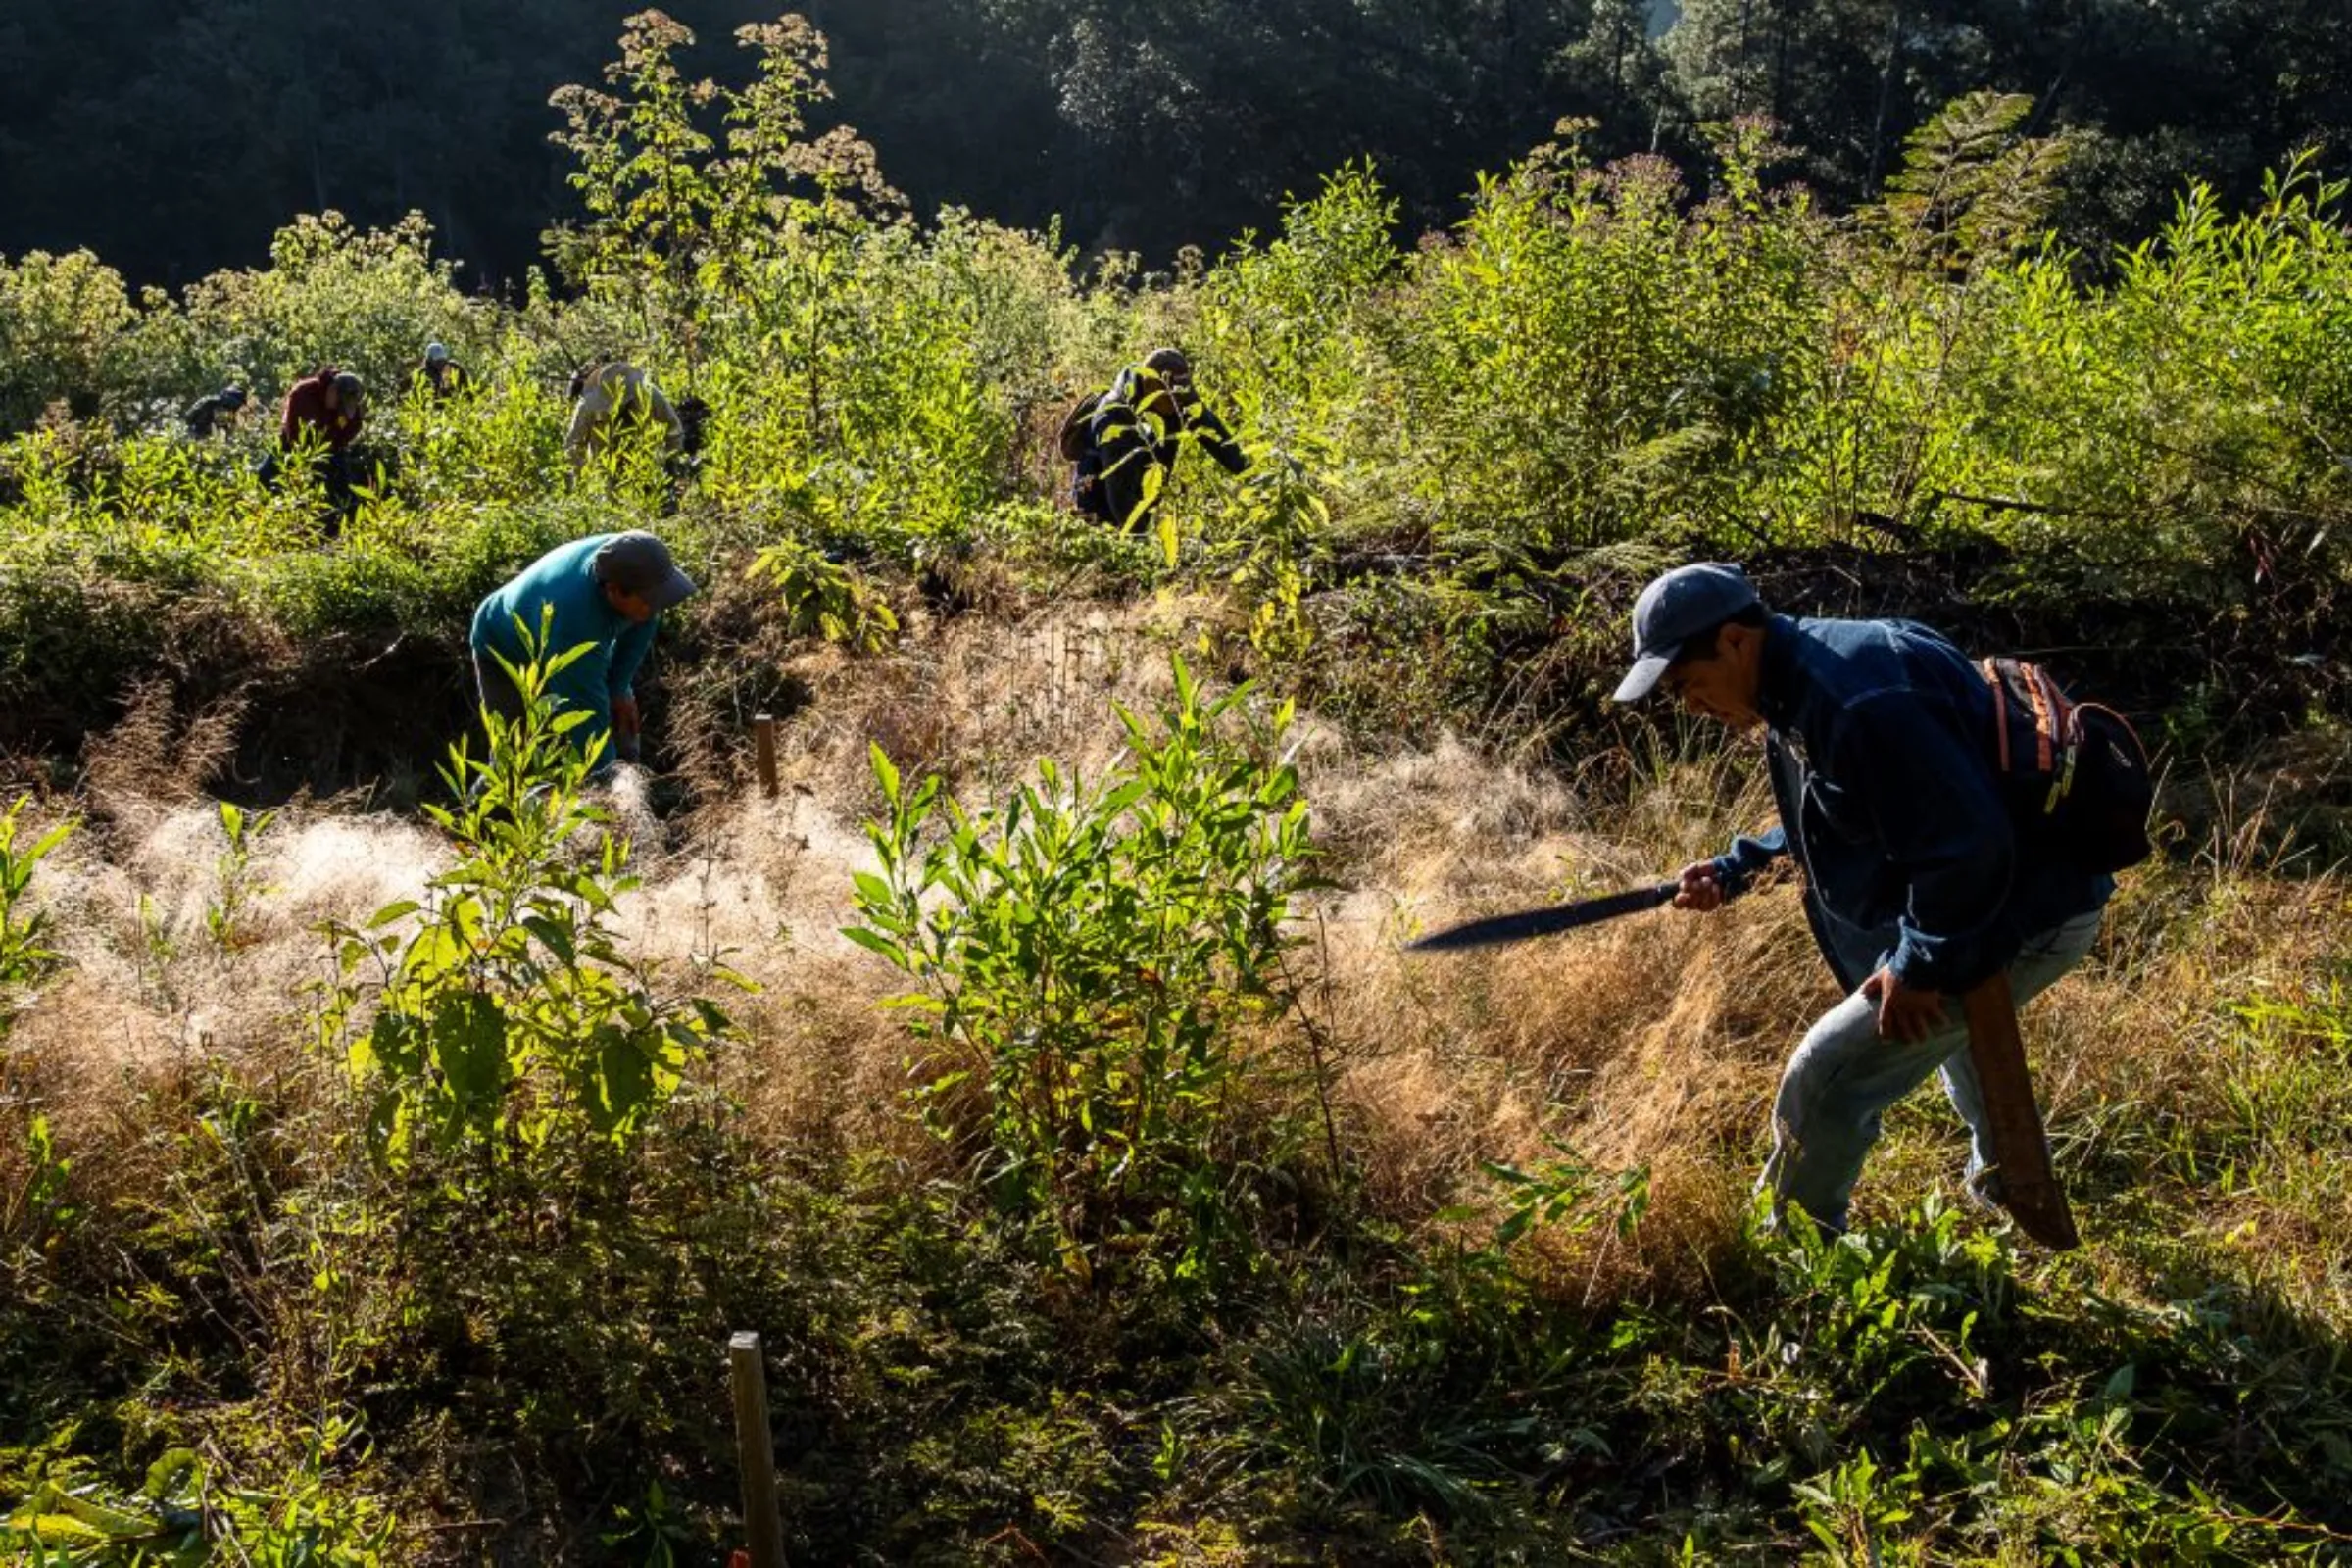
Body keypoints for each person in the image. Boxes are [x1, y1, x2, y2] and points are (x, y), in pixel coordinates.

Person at [1612, 562, 2113, 1235]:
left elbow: (1970, 845)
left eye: (1687, 685)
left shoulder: (1855, 701)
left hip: (2020, 911)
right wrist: (1739, 869)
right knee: (1965, 1051)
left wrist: (1916, 966)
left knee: (1826, 1079)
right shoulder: (1804, 676)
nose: (1690, 707)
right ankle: (2018, 1210)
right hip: (1997, 904)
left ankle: (1798, 1254)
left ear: (1734, 641)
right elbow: (1857, 810)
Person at [468, 531, 698, 769]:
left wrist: (619, 687)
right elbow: (586, 720)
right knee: (514, 762)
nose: (656, 607)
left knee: (622, 726)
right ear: (614, 590)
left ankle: (634, 786)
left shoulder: (632, 558)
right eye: (650, 600)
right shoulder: (574, 622)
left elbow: (646, 620)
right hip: (503, 648)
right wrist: (606, 788)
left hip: (552, 633)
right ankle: (481, 805)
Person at [1073, 347, 1249, 529]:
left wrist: (1251, 474)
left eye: (1180, 396)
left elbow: (1218, 439)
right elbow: (1120, 492)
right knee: (1102, 541)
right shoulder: (1113, 417)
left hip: (1137, 485)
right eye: (1171, 397)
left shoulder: (1178, 398)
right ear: (1151, 387)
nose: (1178, 404)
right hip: (1096, 492)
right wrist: (1140, 544)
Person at [564, 360, 685, 472]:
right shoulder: (588, 406)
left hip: (645, 467)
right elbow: (573, 446)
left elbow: (674, 430)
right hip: (605, 470)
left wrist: (667, 461)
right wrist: (586, 473)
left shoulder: (652, 396)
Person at [181, 384, 247, 438]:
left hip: (216, 439)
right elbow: (188, 418)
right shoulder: (209, 402)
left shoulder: (236, 411)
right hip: (197, 433)